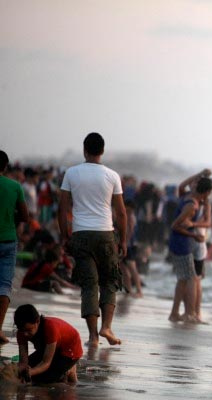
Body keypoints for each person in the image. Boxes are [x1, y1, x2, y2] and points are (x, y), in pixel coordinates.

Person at [58, 133, 127, 346]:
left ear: (84, 150)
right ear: (102, 151)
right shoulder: (112, 176)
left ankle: (93, 336)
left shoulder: (71, 173)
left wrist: (65, 236)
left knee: (89, 285)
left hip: (81, 234)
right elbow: (121, 213)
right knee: (110, 281)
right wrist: (123, 240)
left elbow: (62, 209)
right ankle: (106, 326)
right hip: (106, 234)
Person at [168, 177, 212, 323]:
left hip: (183, 243)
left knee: (183, 279)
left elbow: (182, 186)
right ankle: (190, 314)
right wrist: (193, 233)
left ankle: (176, 313)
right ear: (207, 192)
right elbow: (175, 225)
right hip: (182, 243)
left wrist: (193, 227)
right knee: (191, 278)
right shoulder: (192, 205)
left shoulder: (192, 199)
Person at [0, 150, 29, 344]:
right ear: (5, 167)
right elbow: (25, 216)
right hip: (8, 240)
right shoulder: (14, 186)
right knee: (4, 285)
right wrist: (11, 218)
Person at [14, 304, 82, 384]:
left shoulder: (50, 328)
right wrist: (20, 369)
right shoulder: (21, 331)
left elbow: (46, 362)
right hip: (50, 347)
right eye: (22, 330)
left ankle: (69, 370)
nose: (25, 334)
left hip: (70, 350)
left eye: (28, 330)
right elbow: (23, 362)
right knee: (25, 373)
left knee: (41, 381)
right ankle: (63, 369)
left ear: (38, 321)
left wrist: (31, 372)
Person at [121, 200, 143, 297]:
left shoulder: (130, 217)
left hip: (129, 245)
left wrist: (124, 243)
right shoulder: (128, 215)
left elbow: (129, 232)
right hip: (127, 244)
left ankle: (139, 290)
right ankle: (128, 289)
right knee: (123, 267)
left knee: (132, 268)